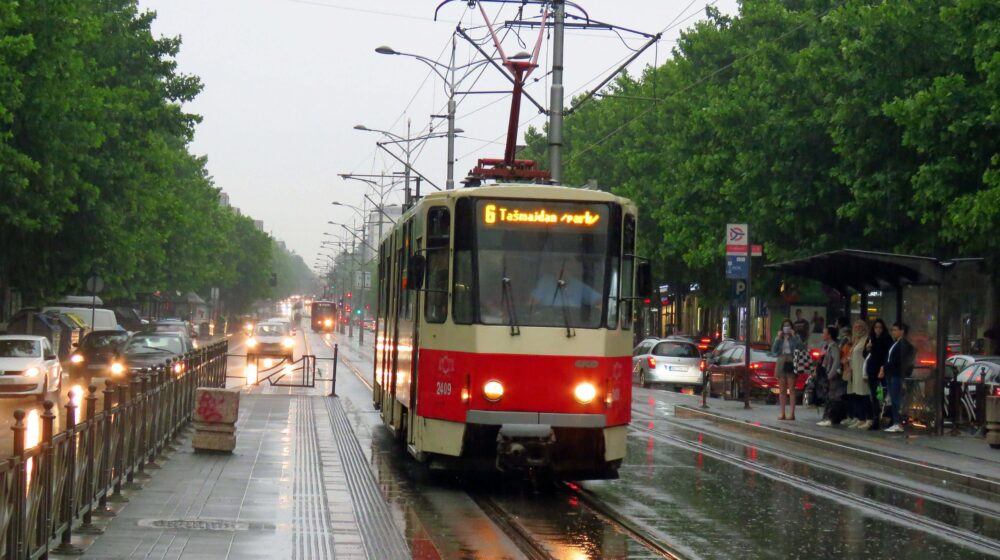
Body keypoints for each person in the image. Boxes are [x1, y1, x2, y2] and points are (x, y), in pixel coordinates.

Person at [880, 321, 915, 433]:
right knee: (893, 399)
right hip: (891, 373)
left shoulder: (904, 345)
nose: (893, 332)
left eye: (895, 330)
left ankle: (898, 422)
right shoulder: (895, 343)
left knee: (896, 399)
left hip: (896, 374)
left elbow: (897, 360)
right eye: (892, 330)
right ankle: (896, 421)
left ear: (902, 331)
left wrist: (886, 367)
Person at [772, 319, 805, 421]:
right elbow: (774, 351)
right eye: (785, 326)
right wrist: (778, 338)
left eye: (788, 326)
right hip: (781, 361)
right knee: (782, 389)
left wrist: (794, 336)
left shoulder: (795, 337)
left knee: (791, 389)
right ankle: (782, 413)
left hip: (791, 361)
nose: (786, 328)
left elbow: (800, 347)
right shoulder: (780, 337)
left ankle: (792, 413)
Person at [863, 319, 892, 430]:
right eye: (876, 327)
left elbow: (886, 355)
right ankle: (876, 418)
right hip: (872, 369)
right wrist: (867, 349)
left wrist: (883, 367)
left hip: (881, 370)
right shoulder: (871, 338)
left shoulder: (886, 339)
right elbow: (865, 354)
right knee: (874, 395)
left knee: (883, 394)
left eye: (880, 327)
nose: (878, 330)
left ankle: (886, 417)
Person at [845, 320, 872, 429]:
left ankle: (868, 418)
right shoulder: (856, 340)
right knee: (856, 395)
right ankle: (859, 417)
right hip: (854, 371)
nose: (858, 329)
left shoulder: (867, 339)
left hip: (862, 371)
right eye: (856, 327)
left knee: (864, 394)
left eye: (860, 327)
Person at [817, 326, 845, 427]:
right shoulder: (828, 346)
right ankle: (828, 417)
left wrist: (830, 374)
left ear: (829, 335)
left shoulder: (833, 347)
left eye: (824, 333)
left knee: (833, 397)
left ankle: (831, 418)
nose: (822, 335)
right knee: (830, 396)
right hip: (829, 374)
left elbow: (836, 361)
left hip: (833, 376)